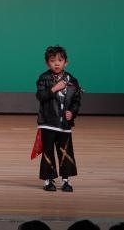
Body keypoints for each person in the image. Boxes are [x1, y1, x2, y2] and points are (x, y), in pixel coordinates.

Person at [36, 45, 81, 192]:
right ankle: (48, 180)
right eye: (52, 60)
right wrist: (54, 88)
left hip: (64, 124)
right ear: (47, 63)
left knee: (65, 152)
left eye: (60, 60)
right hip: (48, 122)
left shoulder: (72, 80)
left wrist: (72, 113)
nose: (56, 63)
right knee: (48, 151)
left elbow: (76, 101)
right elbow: (40, 96)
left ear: (66, 62)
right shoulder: (44, 78)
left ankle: (66, 180)